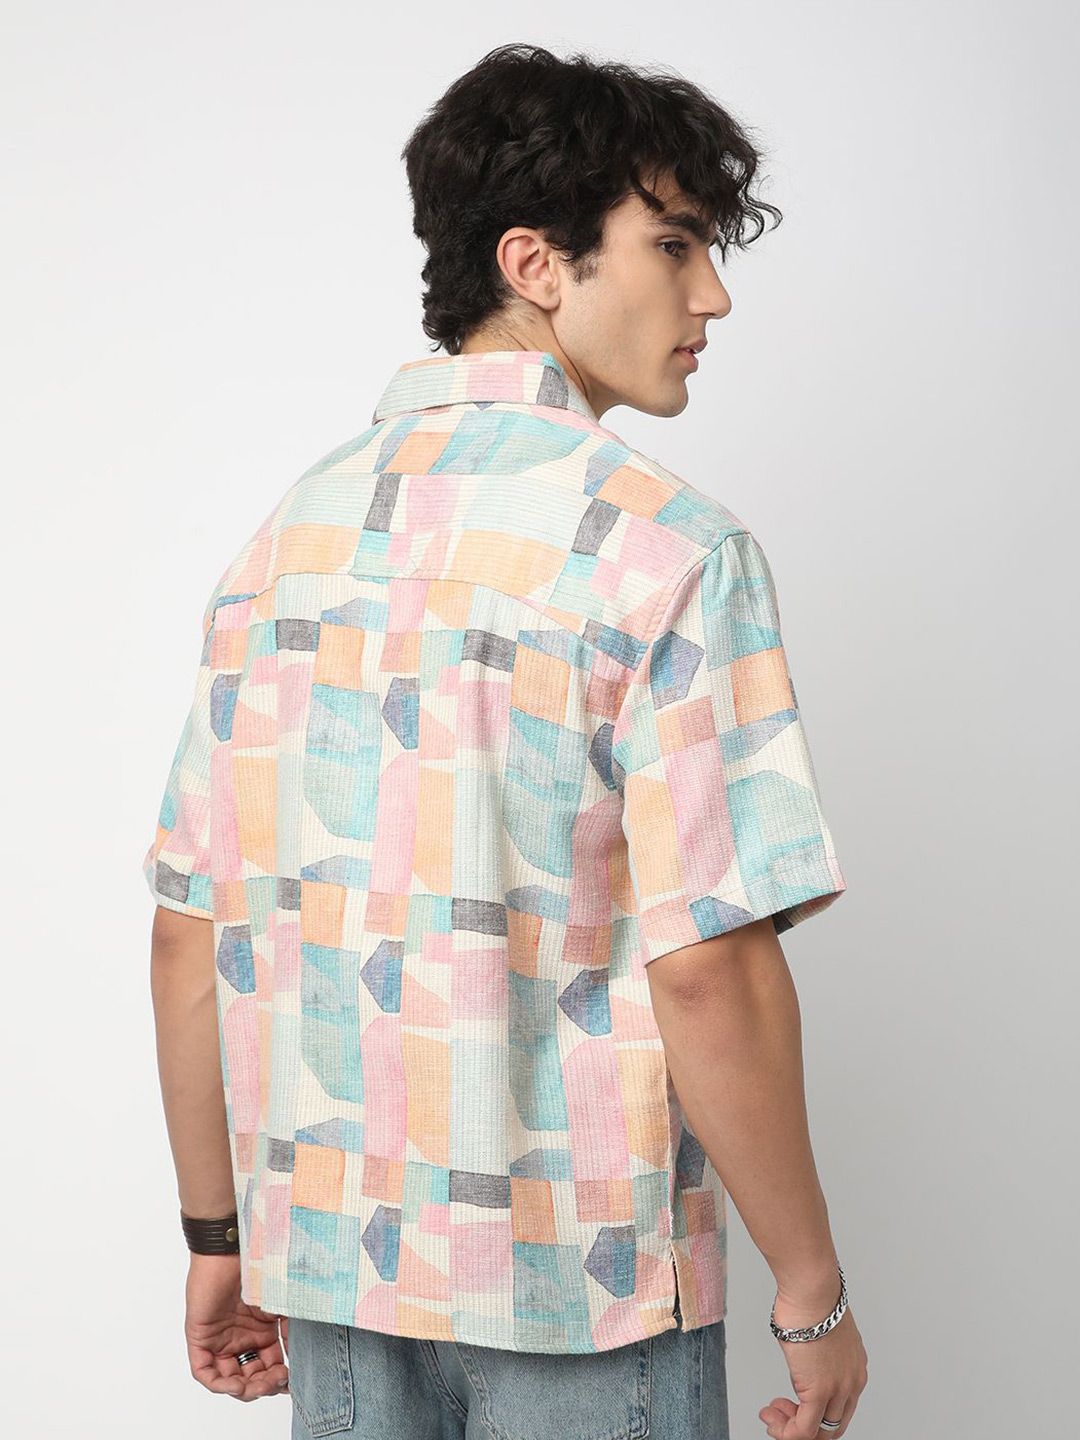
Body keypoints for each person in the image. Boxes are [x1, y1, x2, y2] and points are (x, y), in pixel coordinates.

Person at [144, 41, 868, 1440]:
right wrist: (811, 1291)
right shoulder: (671, 553)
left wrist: (216, 1236)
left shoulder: (282, 549)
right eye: (674, 245)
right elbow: (709, 965)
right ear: (534, 263)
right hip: (583, 1293)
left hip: (337, 1273)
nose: (712, 295)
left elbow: (190, 934)